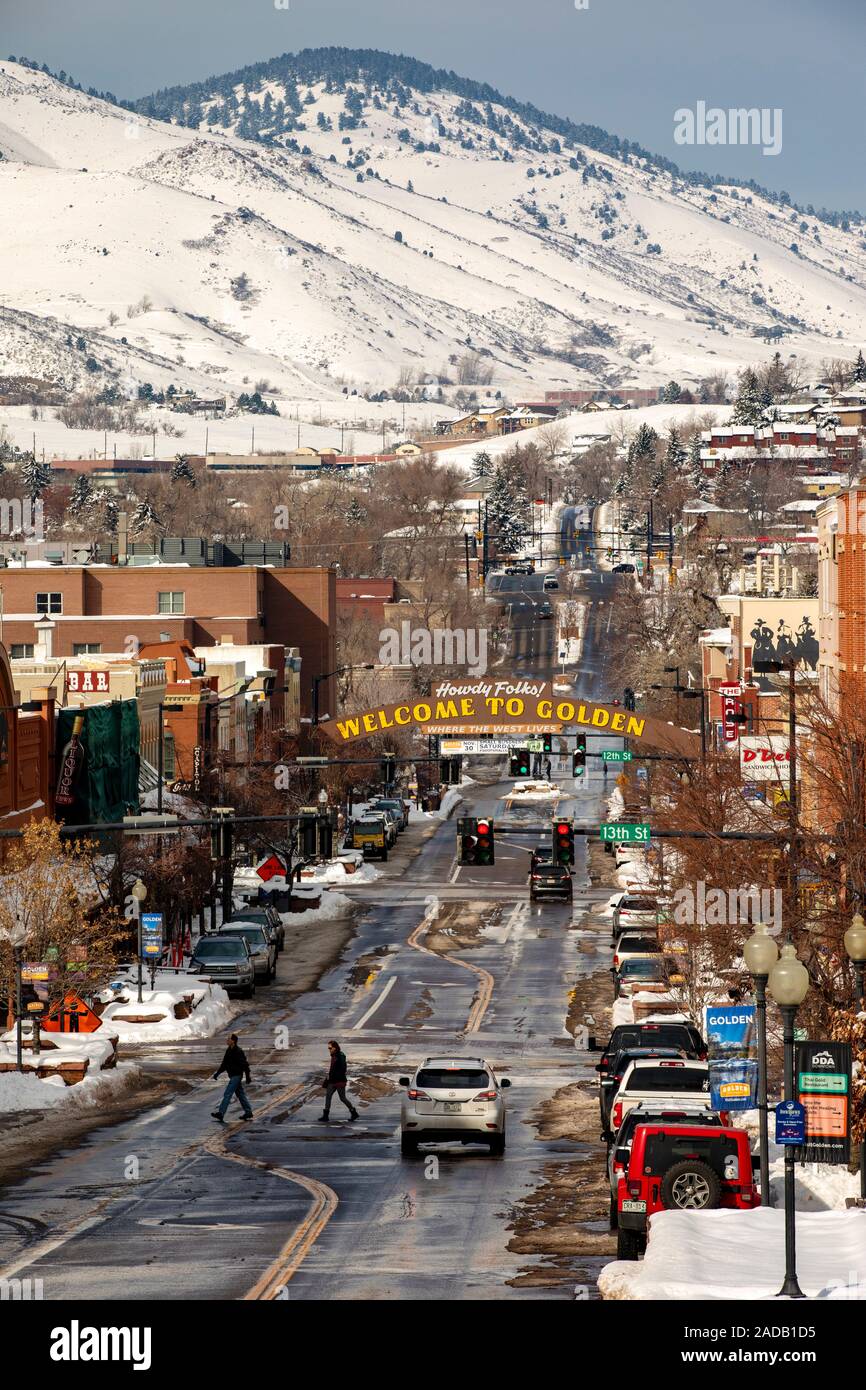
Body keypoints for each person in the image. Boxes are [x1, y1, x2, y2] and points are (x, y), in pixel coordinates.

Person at [211, 1033, 253, 1122]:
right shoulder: (228, 1050)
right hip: (233, 1076)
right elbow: (224, 1064)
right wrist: (217, 1073)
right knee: (240, 1094)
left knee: (227, 1093)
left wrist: (248, 1076)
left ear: (233, 1041)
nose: (227, 1040)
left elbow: (245, 1064)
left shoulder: (238, 1051)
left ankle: (221, 1113)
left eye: (228, 1039)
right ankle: (248, 1112)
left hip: (237, 1076)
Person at [318, 1039, 359, 1122]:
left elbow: (343, 1068)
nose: (329, 1050)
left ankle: (353, 1112)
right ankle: (325, 1116)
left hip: (339, 1081)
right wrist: (328, 1077)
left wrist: (336, 1076)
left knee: (342, 1098)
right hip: (332, 1081)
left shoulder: (340, 1056)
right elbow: (332, 1068)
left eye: (330, 1048)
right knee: (328, 1096)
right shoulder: (333, 1055)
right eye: (328, 1048)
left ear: (335, 1048)